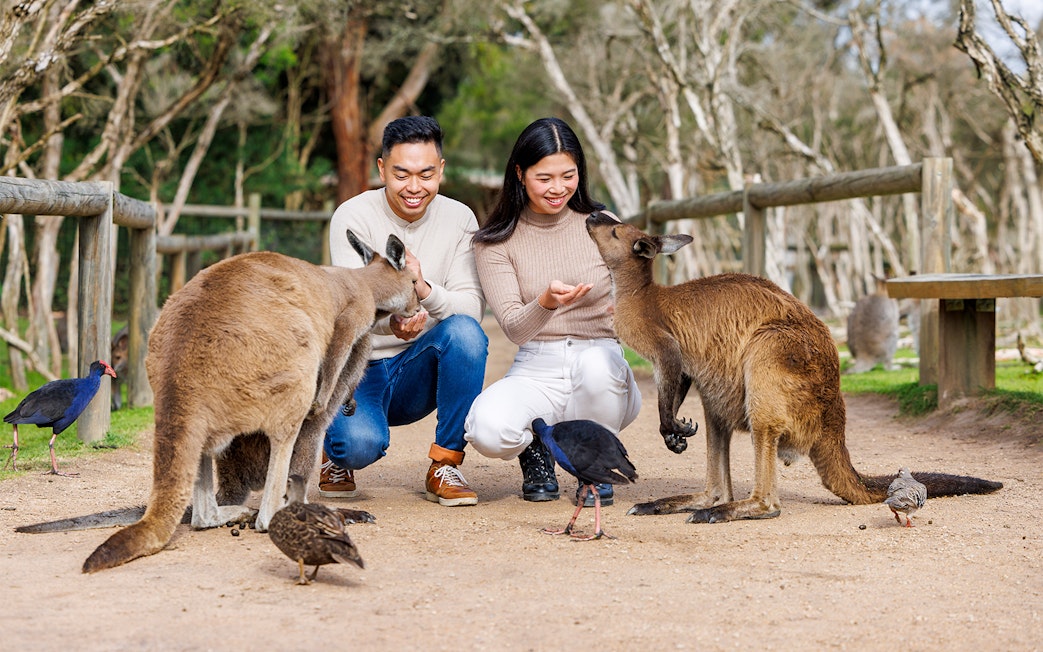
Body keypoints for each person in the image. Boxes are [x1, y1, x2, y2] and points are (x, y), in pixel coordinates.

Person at [464, 117, 642, 507]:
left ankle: (597, 466)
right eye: (544, 178)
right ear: (519, 173)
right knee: (486, 430)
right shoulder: (494, 241)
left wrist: (626, 308)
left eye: (568, 175)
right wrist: (545, 302)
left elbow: (635, 297)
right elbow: (513, 327)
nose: (558, 188)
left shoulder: (605, 226)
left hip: (600, 360)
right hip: (536, 365)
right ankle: (537, 448)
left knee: (598, 367)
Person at [321, 115, 488, 507]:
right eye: (402, 174)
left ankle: (445, 463)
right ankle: (336, 450)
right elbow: (347, 309)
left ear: (441, 170)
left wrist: (423, 289)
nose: (414, 187)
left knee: (465, 334)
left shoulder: (461, 218)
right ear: (381, 169)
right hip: (361, 367)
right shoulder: (353, 216)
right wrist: (392, 323)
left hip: (418, 367)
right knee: (358, 447)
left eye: (426, 174)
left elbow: (471, 307)